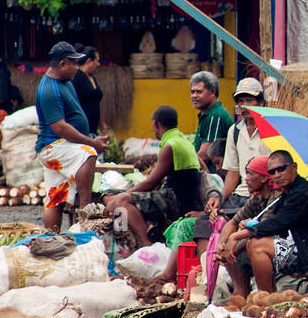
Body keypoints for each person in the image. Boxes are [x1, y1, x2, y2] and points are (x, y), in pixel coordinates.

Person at [222, 149, 308, 293]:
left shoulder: (302, 193)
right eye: (272, 172)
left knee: (257, 245)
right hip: (301, 249)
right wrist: (229, 246)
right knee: (251, 244)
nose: (277, 175)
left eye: (281, 169)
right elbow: (275, 223)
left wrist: (235, 237)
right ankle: (254, 295)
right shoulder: (287, 193)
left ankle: (267, 299)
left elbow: (277, 224)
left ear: (294, 167)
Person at [103, 105, 202, 247]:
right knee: (108, 194)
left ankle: (146, 243)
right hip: (176, 196)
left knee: (122, 201)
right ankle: (136, 232)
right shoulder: (183, 140)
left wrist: (123, 196)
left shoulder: (170, 145)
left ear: (156, 123)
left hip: (175, 200)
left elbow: (151, 182)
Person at [35, 42, 108, 232]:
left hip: (60, 144)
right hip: (52, 145)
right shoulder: (48, 89)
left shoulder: (65, 82)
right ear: (62, 64)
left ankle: (53, 237)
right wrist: (91, 141)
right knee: (88, 153)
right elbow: (59, 127)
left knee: (55, 197)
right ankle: (86, 210)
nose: (77, 68)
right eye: (73, 64)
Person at [217, 155, 281, 298]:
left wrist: (231, 248)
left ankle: (265, 296)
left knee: (242, 248)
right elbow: (233, 222)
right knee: (228, 246)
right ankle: (240, 292)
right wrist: (222, 244)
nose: (245, 178)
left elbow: (261, 230)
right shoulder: (257, 198)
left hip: (275, 245)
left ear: (264, 178)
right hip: (259, 240)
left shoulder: (276, 197)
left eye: (250, 173)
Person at [220, 77, 268, 210]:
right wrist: (220, 201)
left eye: (249, 101)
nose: (244, 106)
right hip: (241, 195)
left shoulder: (272, 130)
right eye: (241, 101)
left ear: (261, 103)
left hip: (264, 196)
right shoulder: (235, 130)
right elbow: (233, 172)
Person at [190, 71, 233, 167]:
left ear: (213, 92)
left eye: (199, 92)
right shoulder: (208, 113)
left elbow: (204, 156)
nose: (194, 96)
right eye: (192, 92)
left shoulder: (215, 115)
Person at [72, 46, 105, 135]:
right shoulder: (77, 77)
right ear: (89, 61)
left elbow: (96, 103)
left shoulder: (92, 77)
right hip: (82, 130)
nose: (98, 64)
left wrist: (102, 126)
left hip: (93, 130)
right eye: (97, 61)